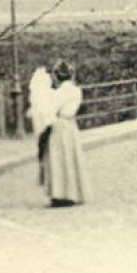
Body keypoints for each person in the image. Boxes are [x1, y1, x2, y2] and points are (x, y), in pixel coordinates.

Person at [42, 60, 88, 207]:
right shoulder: (76, 91)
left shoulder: (59, 92)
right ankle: (72, 192)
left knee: (58, 158)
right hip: (71, 125)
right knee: (71, 157)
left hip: (59, 125)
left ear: (57, 76)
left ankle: (60, 194)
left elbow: (50, 109)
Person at [28, 65, 57, 185]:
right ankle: (47, 173)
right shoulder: (47, 93)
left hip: (42, 124)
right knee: (48, 148)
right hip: (48, 123)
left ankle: (43, 173)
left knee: (42, 147)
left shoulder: (35, 95)